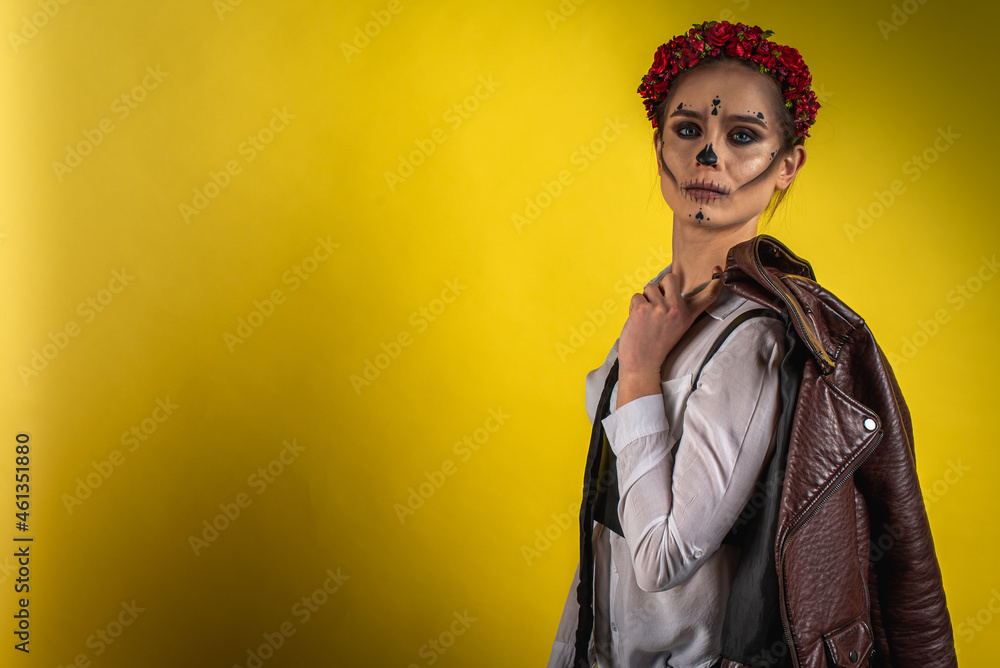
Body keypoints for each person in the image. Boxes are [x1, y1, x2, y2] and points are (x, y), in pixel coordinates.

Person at [547, 20, 957, 668]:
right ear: (658, 147)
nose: (709, 156)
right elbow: (607, 539)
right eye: (689, 130)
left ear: (786, 166)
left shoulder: (753, 342)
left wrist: (641, 373)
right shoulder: (656, 308)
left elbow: (660, 559)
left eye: (742, 136)